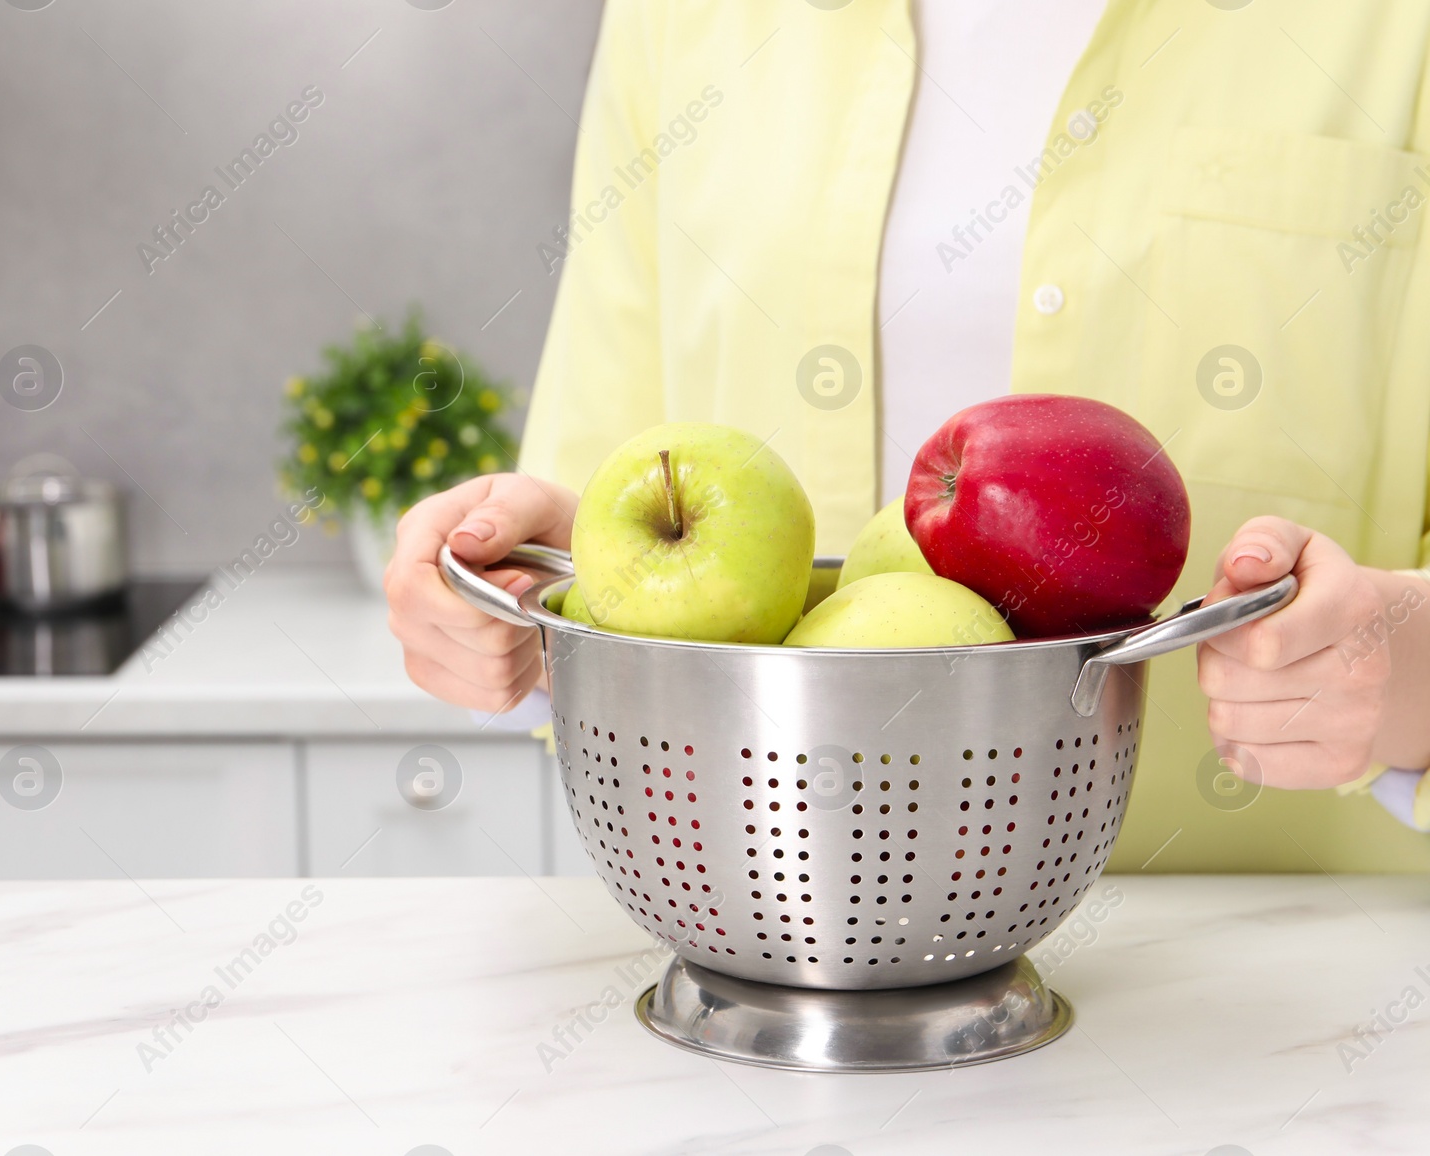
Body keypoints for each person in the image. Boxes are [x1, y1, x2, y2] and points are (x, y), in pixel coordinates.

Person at [386, 0, 1430, 871]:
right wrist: (509, 597)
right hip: (756, 948)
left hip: (1273, 1017)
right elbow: (588, 512)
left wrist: (1405, 662)